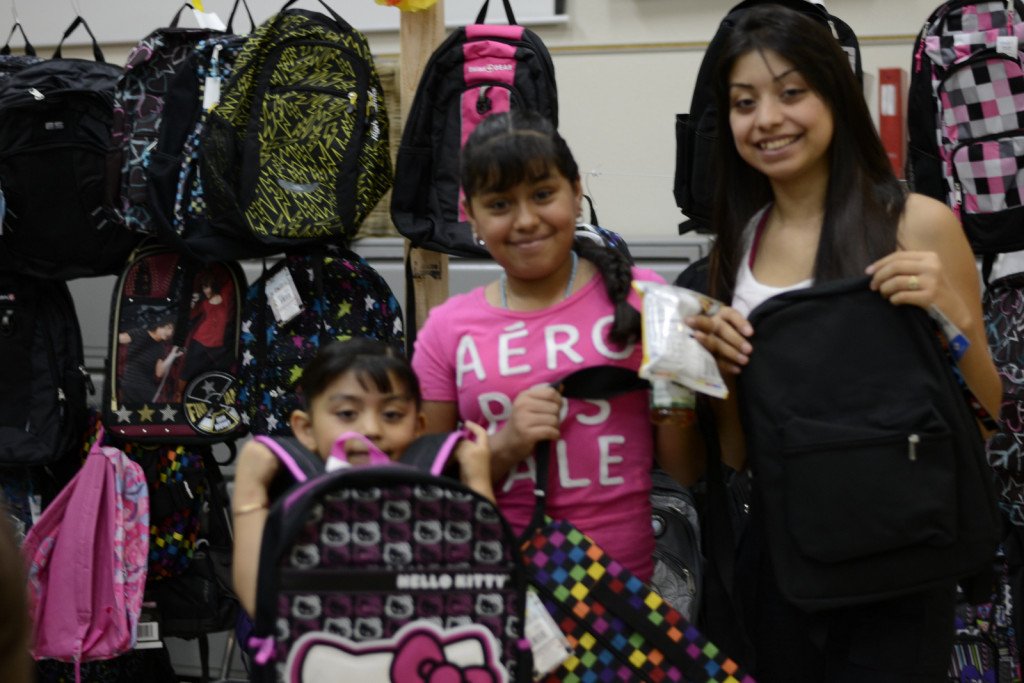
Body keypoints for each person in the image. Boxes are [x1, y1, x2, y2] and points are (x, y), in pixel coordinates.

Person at [684, 6, 1002, 682]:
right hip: (785, 560)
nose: (768, 118)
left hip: (906, 553)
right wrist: (715, 377)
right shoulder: (734, 253)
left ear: (835, 93)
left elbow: (991, 408)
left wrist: (950, 309)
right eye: (745, 102)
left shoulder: (918, 222)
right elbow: (741, 452)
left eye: (791, 91)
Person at [411, 110, 698, 584]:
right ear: (472, 214)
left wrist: (681, 380)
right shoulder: (446, 328)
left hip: (627, 600)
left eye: (543, 195)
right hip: (498, 592)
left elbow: (684, 471)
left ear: (576, 191)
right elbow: (427, 491)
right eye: (500, 204)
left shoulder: (648, 301)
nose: (525, 221)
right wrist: (504, 446)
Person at [230, 338, 494, 617]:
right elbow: (259, 603)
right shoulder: (289, 485)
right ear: (305, 428)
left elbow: (489, 587)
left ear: (419, 427)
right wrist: (250, 486)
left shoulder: (438, 490)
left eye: (392, 415)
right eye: (347, 414)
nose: (370, 429)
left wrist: (477, 479)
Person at [118, 316, 184, 404]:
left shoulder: (160, 348)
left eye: (172, 331)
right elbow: (116, 338)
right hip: (130, 386)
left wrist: (172, 355)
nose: (170, 333)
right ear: (160, 325)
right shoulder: (139, 333)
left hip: (146, 391)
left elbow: (159, 373)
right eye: (168, 328)